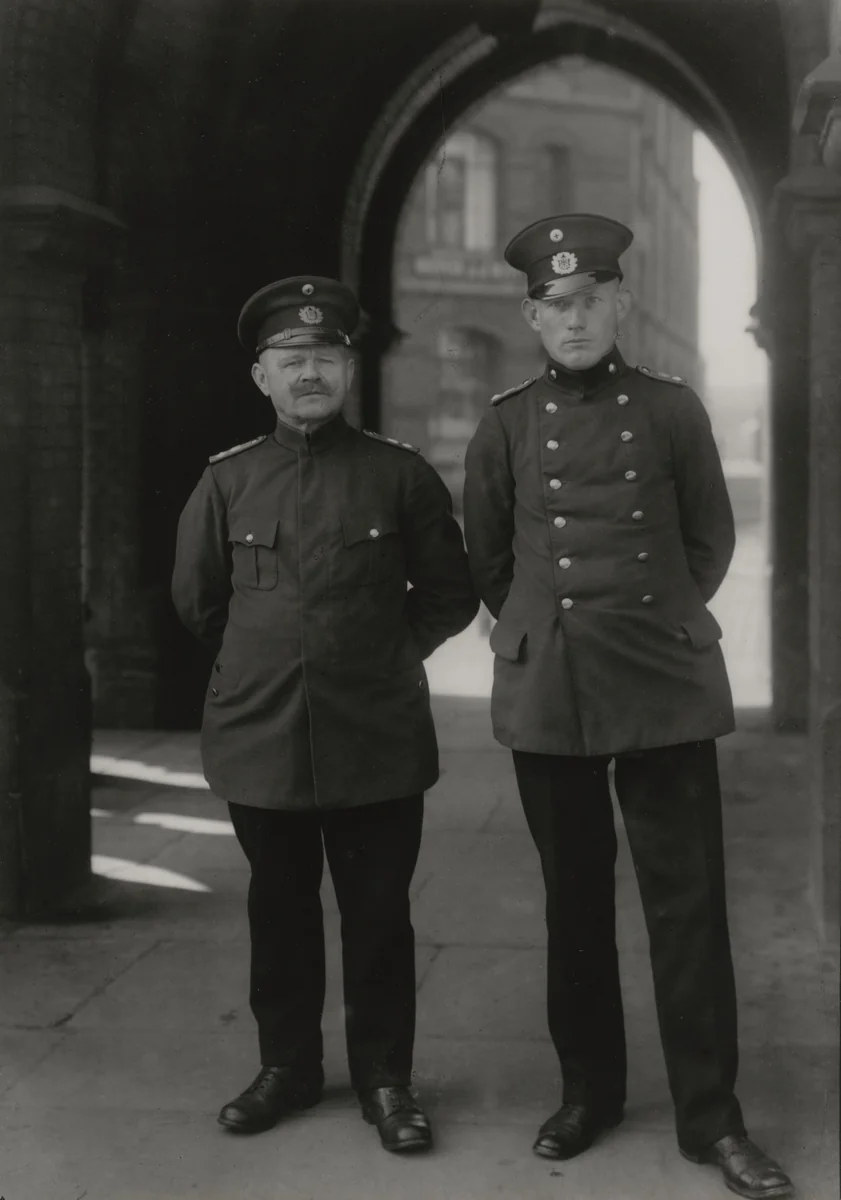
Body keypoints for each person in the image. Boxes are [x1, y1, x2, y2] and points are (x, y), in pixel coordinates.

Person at [462, 215, 793, 1199]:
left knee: (687, 909)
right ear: (530, 316)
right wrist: (541, 625)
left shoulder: (672, 410)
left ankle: (712, 1120)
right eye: (555, 306)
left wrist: (653, 621)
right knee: (572, 906)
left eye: (590, 300)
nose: (574, 320)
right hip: (552, 687)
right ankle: (587, 1095)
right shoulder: (506, 423)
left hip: (662, 679)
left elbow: (707, 543)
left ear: (621, 302)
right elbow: (487, 557)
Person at [172, 276, 477, 1153]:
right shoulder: (227, 482)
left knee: (379, 914)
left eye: (326, 358)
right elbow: (197, 600)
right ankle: (287, 1070)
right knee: (279, 910)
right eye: (290, 360)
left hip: (375, 736)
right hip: (261, 736)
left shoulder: (399, 475)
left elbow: (450, 595)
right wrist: (263, 663)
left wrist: (383, 659)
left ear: (350, 370)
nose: (310, 374)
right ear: (261, 377)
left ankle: (386, 1081)